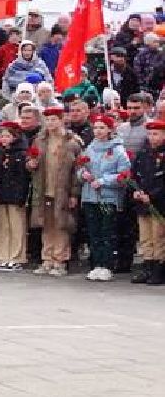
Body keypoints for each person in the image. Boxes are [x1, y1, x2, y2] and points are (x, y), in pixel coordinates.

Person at [78, 113, 131, 281]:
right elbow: (81, 167)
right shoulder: (90, 148)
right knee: (93, 232)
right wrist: (83, 174)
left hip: (107, 197)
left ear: (109, 129)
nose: (98, 131)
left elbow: (124, 174)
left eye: (102, 127)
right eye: (96, 128)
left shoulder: (117, 150)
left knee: (107, 231)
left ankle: (107, 264)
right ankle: (96, 264)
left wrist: (103, 181)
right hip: (89, 196)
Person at [30, 105, 82, 276]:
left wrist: (74, 193)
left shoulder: (72, 143)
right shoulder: (39, 140)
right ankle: (47, 258)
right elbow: (31, 160)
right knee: (46, 224)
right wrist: (30, 164)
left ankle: (60, 260)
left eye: (54, 119)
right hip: (45, 187)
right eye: (48, 120)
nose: (51, 123)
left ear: (61, 120)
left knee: (61, 225)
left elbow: (78, 170)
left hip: (63, 189)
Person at [0, 116, 33, 272]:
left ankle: (17, 257)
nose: (3, 139)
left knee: (17, 226)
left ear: (15, 137)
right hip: (1, 193)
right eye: (1, 136)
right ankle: (3, 255)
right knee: (3, 226)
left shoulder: (21, 154)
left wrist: (22, 196)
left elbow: (23, 177)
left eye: (7, 136)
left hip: (15, 194)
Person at [129, 119, 165, 283]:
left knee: (159, 236)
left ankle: (159, 267)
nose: (152, 137)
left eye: (156, 134)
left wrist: (152, 195)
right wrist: (136, 190)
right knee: (145, 235)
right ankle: (148, 265)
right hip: (143, 202)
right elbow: (135, 174)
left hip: (159, 203)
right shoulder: (144, 153)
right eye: (150, 134)